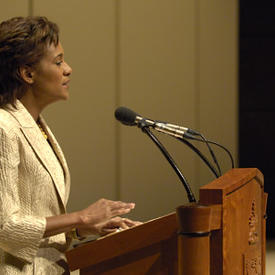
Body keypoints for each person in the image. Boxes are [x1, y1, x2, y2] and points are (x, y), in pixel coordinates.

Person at [0, 16, 140, 274]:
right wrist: (81, 217)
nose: (68, 69)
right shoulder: (3, 127)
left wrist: (78, 229)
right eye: (58, 61)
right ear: (27, 73)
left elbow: (35, 215)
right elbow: (5, 227)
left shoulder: (36, 124)